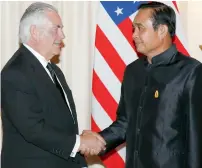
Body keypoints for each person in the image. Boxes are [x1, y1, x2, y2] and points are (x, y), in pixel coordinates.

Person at [82, 2, 202, 168]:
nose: (134, 35)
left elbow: (197, 138)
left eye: (140, 28)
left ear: (162, 30)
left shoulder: (191, 72)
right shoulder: (133, 71)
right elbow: (125, 123)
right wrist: (100, 140)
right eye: (134, 29)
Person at [1, 2, 105, 168]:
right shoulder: (16, 73)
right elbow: (33, 129)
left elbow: (58, 121)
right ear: (35, 32)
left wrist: (81, 141)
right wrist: (79, 143)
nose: (62, 35)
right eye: (56, 28)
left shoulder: (53, 69)